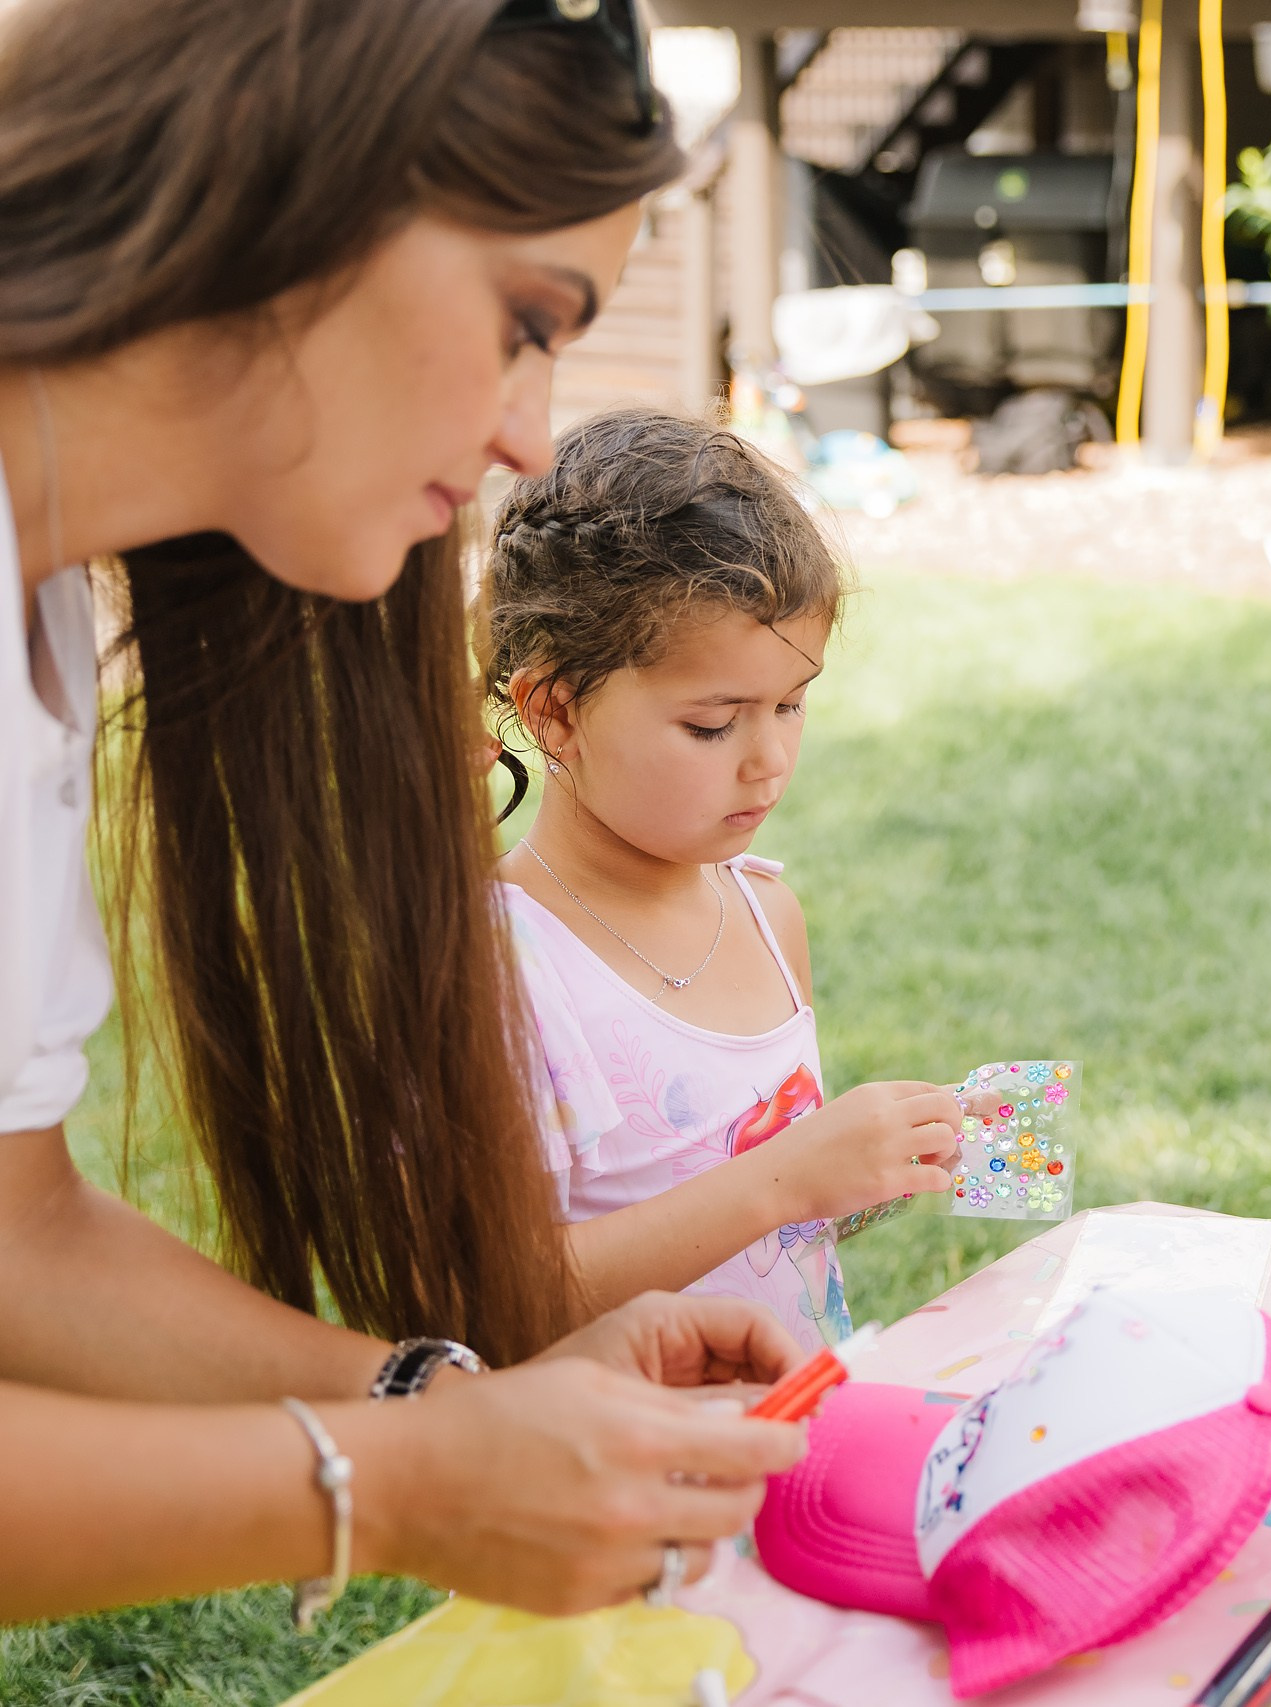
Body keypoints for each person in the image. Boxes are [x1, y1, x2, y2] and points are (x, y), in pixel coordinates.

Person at [0, 0, 819, 1623]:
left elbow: (20, 1235)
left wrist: (438, 1400)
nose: (528, 430)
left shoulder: (40, 630)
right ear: (278, 186)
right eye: (525, 319)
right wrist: (400, 1483)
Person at [483, 409, 965, 1349]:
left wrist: (874, 1159)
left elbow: (774, 1237)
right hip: (620, 1437)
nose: (769, 761)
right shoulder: (504, 968)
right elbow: (498, 1297)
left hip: (793, 1420)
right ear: (554, 712)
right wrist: (784, 1179)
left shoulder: (767, 914)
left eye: (792, 704)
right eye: (713, 724)